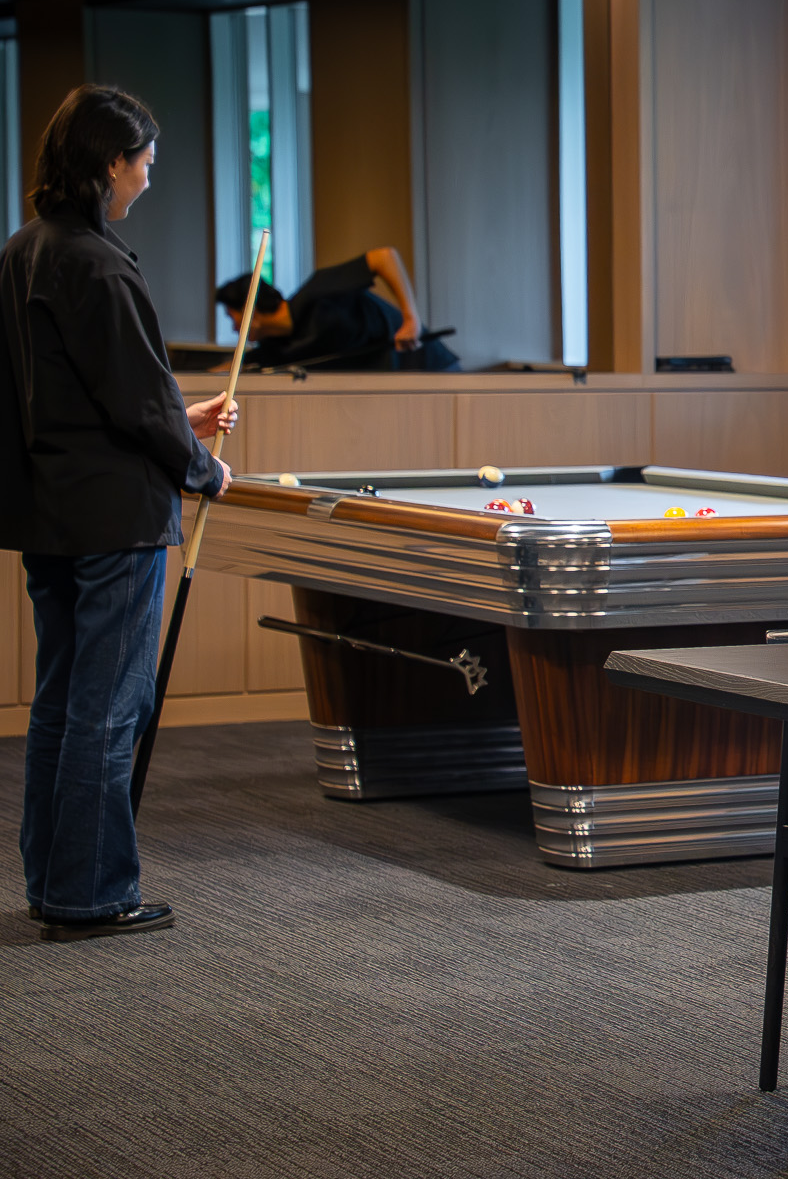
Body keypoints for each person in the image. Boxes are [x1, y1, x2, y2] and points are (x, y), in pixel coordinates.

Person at [0, 85, 235, 942]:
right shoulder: (101, 263)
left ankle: (54, 882)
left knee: (61, 703)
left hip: (52, 512)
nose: (148, 178)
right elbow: (136, 403)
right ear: (110, 162)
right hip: (116, 520)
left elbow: (91, 392)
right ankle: (93, 895)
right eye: (144, 162)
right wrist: (203, 467)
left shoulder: (24, 249)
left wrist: (181, 417)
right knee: (109, 707)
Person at [215, 245, 456, 373]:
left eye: (232, 317)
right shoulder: (279, 347)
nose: (235, 328)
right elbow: (239, 365)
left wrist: (411, 320)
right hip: (393, 383)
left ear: (251, 310)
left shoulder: (317, 292)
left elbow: (384, 257)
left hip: (430, 366)